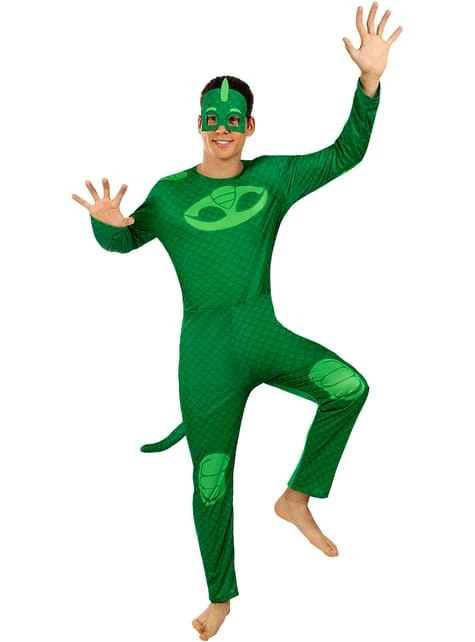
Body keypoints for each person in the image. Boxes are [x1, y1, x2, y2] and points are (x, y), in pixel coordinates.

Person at [72, 3, 402, 640]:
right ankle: (219, 597)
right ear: (198, 123)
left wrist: (368, 83)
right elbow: (124, 241)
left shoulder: (275, 177)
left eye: (232, 120)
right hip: (206, 355)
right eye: (211, 119)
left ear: (250, 126)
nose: (221, 129)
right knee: (211, 480)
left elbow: (346, 153)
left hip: (261, 335)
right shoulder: (169, 194)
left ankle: (296, 497)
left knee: (349, 388)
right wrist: (105, 225)